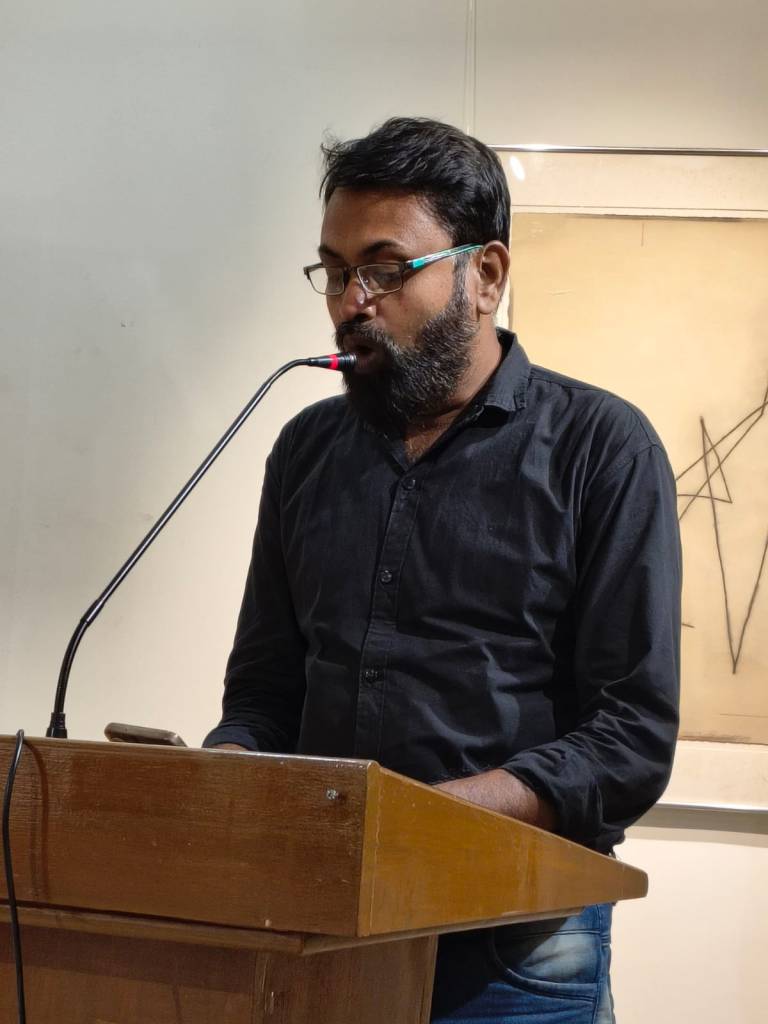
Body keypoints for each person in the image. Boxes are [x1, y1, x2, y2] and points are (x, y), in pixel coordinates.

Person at [203, 116, 681, 1023]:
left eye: (386, 269)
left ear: (485, 275)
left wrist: (417, 819)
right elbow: (264, 692)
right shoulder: (305, 449)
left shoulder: (603, 448)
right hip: (319, 922)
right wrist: (227, 773)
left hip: (517, 942)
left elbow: (630, 739)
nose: (351, 301)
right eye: (335, 271)